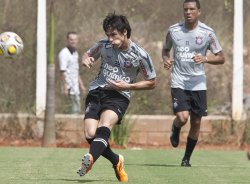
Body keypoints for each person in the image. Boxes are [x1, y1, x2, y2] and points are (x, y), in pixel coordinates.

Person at [77, 13, 157, 182]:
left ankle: (90, 159)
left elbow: (151, 82)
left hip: (119, 95)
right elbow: (87, 54)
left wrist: (128, 86)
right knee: (91, 134)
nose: (110, 39)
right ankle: (116, 160)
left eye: (113, 35)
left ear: (125, 32)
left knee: (104, 126)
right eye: (108, 35)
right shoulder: (103, 45)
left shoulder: (139, 55)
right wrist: (86, 60)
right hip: (96, 91)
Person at [162, 0, 225, 167]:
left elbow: (221, 57)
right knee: (183, 118)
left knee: (196, 122)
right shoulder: (174, 30)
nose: (188, 12)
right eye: (186, 9)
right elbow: (165, 49)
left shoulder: (208, 33)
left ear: (199, 11)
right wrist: (166, 60)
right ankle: (175, 128)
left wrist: (205, 58)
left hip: (198, 83)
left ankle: (186, 158)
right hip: (179, 80)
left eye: (192, 9)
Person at [58, 32, 86, 114]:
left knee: (77, 109)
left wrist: (82, 85)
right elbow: (62, 71)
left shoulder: (75, 53)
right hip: (68, 87)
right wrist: (65, 86)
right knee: (71, 109)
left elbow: (75, 71)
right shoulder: (64, 53)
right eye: (71, 39)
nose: (73, 41)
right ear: (67, 40)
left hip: (75, 87)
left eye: (75, 39)